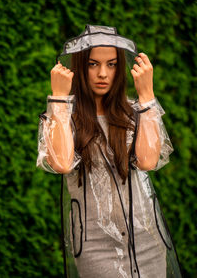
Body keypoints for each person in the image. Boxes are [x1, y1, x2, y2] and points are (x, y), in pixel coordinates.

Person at [36, 25, 182, 278]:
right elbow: (60, 163)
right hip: (95, 246)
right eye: (93, 64)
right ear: (80, 66)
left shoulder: (135, 112)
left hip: (147, 240)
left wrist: (147, 94)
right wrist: (59, 98)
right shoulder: (64, 117)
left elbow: (148, 161)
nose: (102, 73)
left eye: (112, 64)